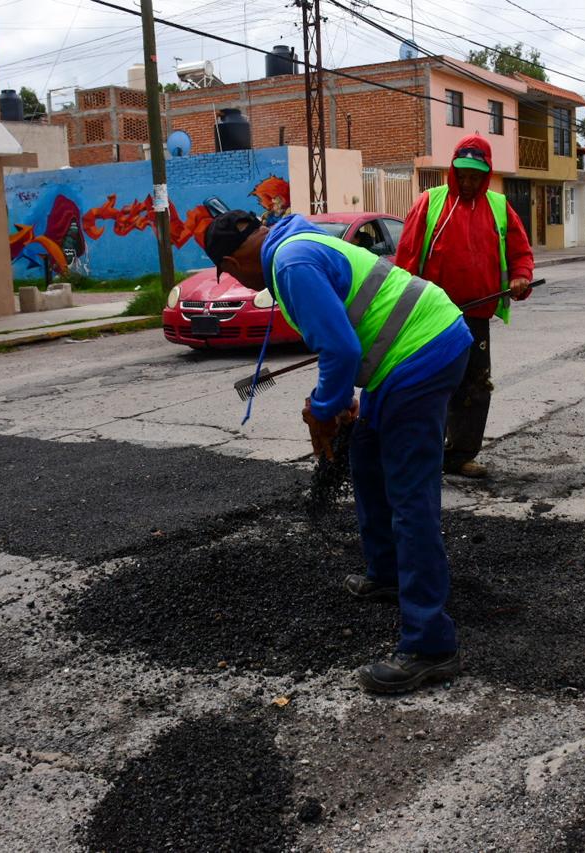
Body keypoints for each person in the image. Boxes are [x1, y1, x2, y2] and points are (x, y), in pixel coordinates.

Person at [204, 209, 474, 694]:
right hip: (403, 352)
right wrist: (337, 399)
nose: (243, 282)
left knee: (411, 500)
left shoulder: (289, 264)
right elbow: (351, 331)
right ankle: (388, 573)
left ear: (231, 261)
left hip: (421, 353)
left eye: (233, 274)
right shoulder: (298, 243)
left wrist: (324, 409)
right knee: (367, 457)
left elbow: (342, 352)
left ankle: (430, 645)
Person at [395, 135, 535, 480]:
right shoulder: (430, 203)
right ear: (453, 171)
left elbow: (520, 253)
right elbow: (407, 261)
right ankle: (427, 452)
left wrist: (521, 278)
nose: (469, 183)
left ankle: (461, 455)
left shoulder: (500, 207)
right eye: (463, 175)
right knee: (431, 385)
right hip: (431, 317)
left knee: (474, 385)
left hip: (476, 316)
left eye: (476, 176)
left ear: (486, 174)